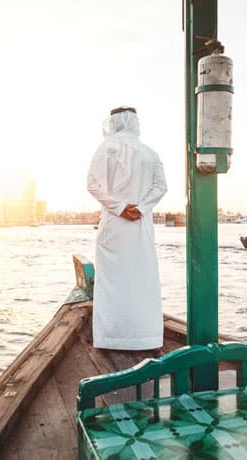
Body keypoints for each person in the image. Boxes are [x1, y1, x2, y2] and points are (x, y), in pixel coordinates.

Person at [87, 106, 167, 350]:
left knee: (111, 280)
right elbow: (160, 187)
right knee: (142, 278)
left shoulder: (107, 148)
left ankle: (110, 337)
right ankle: (146, 337)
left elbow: (92, 185)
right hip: (141, 226)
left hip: (114, 224)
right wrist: (141, 208)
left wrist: (121, 207)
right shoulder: (150, 153)